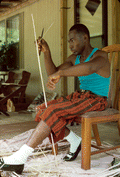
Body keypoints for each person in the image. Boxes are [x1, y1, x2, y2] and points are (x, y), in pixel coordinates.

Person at [0, 24, 110, 174]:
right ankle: (74, 140)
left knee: (52, 111)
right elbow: (54, 72)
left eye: (72, 40)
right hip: (80, 96)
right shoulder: (74, 58)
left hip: (97, 100)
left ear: (85, 37)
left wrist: (62, 73)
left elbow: (89, 68)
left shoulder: (101, 56)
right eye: (69, 41)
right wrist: (46, 52)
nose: (70, 45)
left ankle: (20, 157)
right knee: (42, 109)